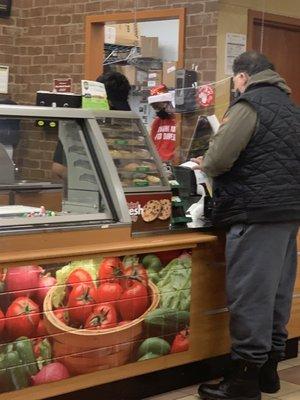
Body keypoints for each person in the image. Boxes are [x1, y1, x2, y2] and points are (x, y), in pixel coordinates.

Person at [193, 51, 300, 400]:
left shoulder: (247, 107)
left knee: (250, 296)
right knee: (276, 294)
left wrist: (203, 161)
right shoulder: (292, 109)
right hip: (287, 213)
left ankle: (242, 382)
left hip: (254, 212)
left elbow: (219, 159)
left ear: (242, 78)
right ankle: (268, 371)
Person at [51, 71, 132, 181]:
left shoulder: (120, 122)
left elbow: (128, 161)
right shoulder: (78, 123)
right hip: (86, 193)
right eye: (111, 105)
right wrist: (95, 183)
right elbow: (59, 169)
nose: (114, 111)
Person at [148, 84, 176, 162]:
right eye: (154, 107)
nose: (157, 110)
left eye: (158, 106)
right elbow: (152, 144)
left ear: (168, 103)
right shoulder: (157, 122)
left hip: (173, 162)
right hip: (158, 162)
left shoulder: (180, 121)